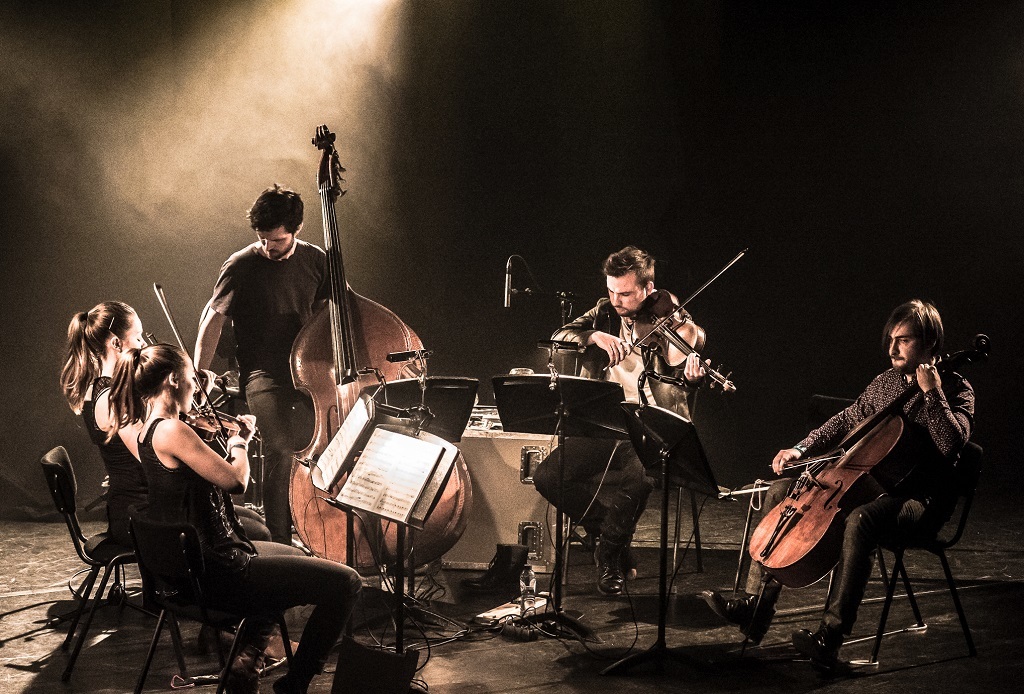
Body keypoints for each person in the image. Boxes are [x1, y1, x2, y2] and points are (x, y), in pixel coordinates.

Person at [702, 299, 974, 670]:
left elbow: (952, 445)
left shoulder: (957, 389)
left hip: (918, 500)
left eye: (904, 340)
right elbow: (845, 421)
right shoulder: (886, 382)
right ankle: (756, 606)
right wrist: (800, 448)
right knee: (782, 490)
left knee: (861, 520)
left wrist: (932, 392)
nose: (892, 349)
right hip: (867, 483)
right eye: (891, 340)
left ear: (929, 344)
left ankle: (830, 636)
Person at [108, 343, 361, 693]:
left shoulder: (148, 428)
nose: (195, 388)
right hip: (218, 573)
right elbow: (235, 481)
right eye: (189, 380)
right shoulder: (172, 431)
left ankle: (248, 658)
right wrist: (240, 442)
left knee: (294, 557)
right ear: (171, 380)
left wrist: (212, 426)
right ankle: (295, 683)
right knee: (347, 582)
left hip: (192, 567)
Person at [533, 246, 706, 595]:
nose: (617, 300)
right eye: (612, 291)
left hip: (647, 427)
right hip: (605, 423)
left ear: (647, 288)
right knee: (548, 475)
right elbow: (558, 336)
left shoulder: (672, 318)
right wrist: (593, 335)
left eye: (625, 293)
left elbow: (679, 371)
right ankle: (610, 534)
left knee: (640, 480)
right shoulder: (604, 312)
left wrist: (692, 377)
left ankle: (609, 555)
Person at [60, 301, 270, 546]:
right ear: (116, 344)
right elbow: (149, 452)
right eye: (138, 338)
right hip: (141, 510)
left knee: (247, 517)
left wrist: (188, 398)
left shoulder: (115, 390)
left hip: (151, 499)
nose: (144, 345)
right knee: (253, 529)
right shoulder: (111, 398)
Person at [195, 184, 328, 544]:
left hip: (310, 373)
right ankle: (280, 543)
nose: (269, 248)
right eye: (263, 239)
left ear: (297, 230)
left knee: (320, 449)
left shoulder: (317, 260)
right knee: (281, 449)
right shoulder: (241, 265)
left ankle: (320, 532)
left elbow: (325, 314)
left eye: (278, 241)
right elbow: (213, 321)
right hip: (261, 373)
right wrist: (200, 372)